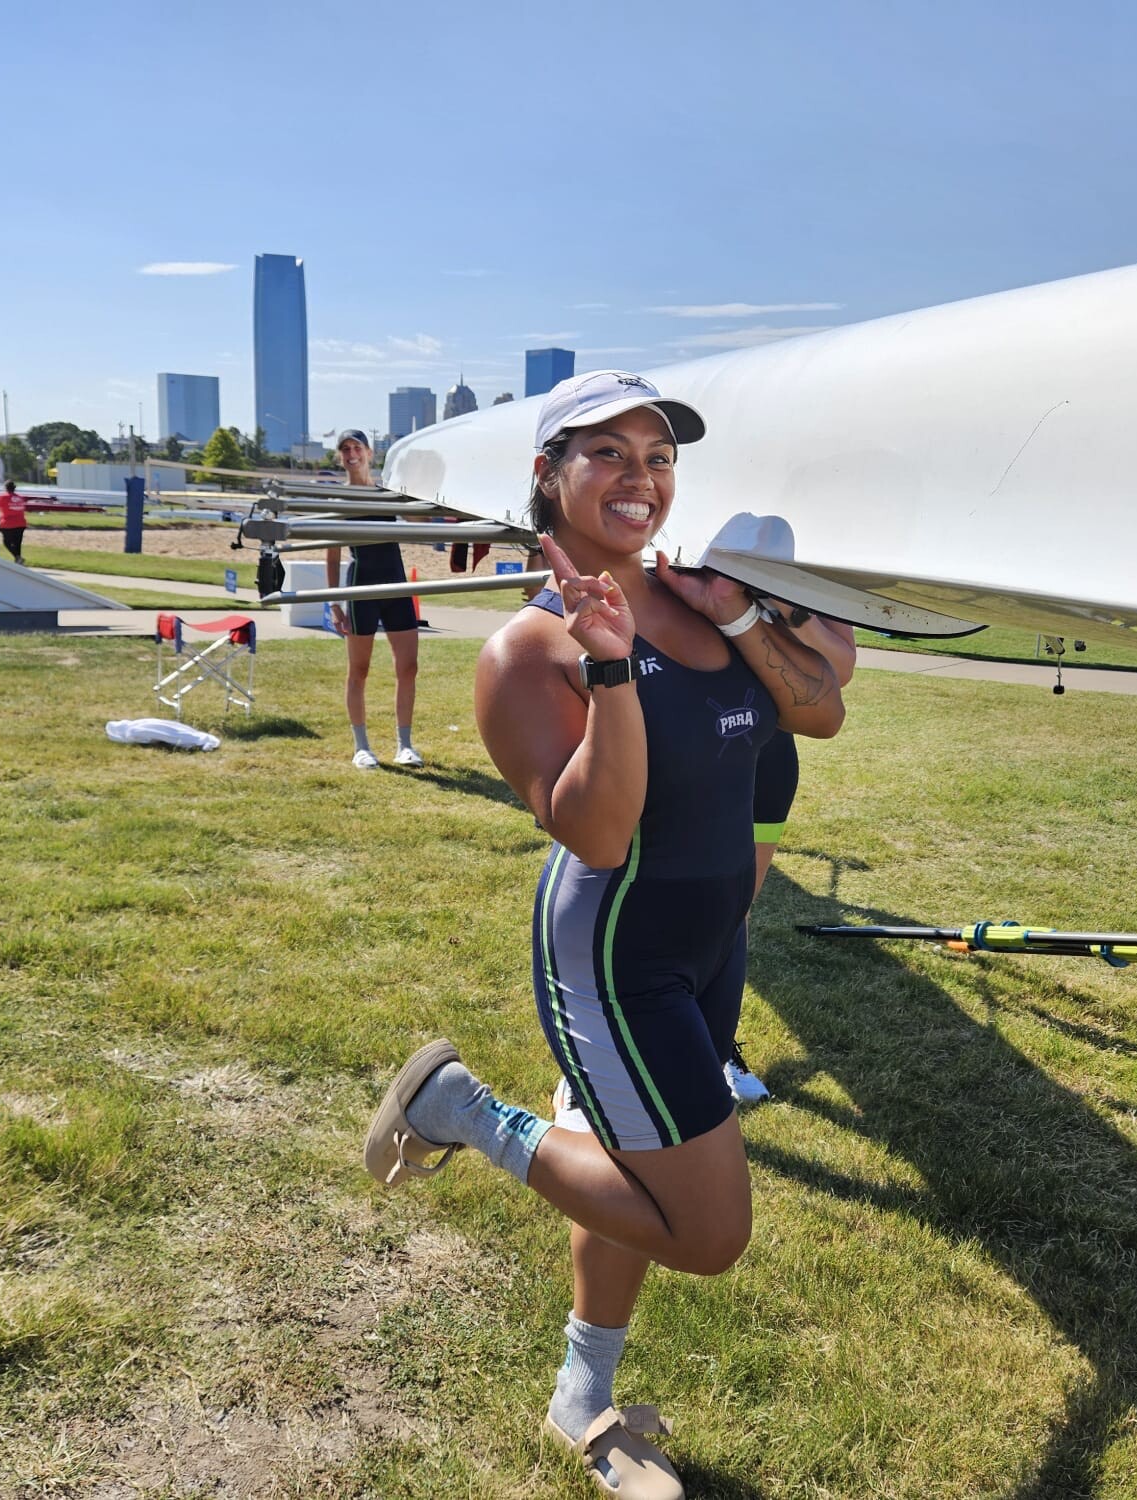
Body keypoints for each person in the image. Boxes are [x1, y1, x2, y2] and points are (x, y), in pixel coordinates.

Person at [361, 370, 846, 1499]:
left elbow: (814, 710)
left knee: (621, 1169)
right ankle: (460, 1111)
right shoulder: (525, 652)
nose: (641, 480)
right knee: (706, 1230)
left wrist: (730, 616)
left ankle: (583, 1397)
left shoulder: (697, 598)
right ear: (549, 476)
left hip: (713, 938)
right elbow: (597, 828)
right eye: (609, 455)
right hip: (617, 957)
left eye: (659, 458)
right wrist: (614, 665)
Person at [725, 604, 859, 1103]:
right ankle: (599, 1057)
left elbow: (839, 670)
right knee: (650, 902)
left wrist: (792, 611)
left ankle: (718, 1047)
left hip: (768, 756)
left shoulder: (808, 570)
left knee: (733, 914)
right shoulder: (684, 550)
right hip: (689, 746)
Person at [325, 430, 422, 769]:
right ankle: (362, 747)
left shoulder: (388, 491)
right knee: (359, 669)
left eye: (357, 448)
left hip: (395, 583)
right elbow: (333, 555)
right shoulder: (340, 501)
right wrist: (335, 604)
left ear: (369, 452)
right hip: (360, 586)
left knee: (408, 667)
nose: (352, 454)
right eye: (345, 449)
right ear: (341, 457)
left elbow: (417, 519)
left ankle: (405, 745)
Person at [0, 479, 28, 564]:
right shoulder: (20, 497)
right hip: (21, 523)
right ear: (14, 488)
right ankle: (18, 560)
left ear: (6, 488)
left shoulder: (3, 497)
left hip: (8, 523)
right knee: (17, 543)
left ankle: (17, 557)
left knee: (6, 542)